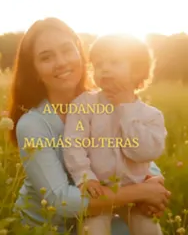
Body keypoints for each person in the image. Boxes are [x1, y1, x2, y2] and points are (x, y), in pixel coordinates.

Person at [9, 19, 170, 233]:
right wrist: (141, 192)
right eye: (46, 57)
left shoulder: (108, 101)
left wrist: (153, 181)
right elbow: (60, 200)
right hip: (48, 226)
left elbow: (133, 152)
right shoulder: (33, 125)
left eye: (67, 50)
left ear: (80, 53)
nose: (61, 62)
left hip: (100, 212)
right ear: (35, 70)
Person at [62, 33, 166, 235]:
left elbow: (144, 153)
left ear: (137, 70)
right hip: (99, 192)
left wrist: (125, 108)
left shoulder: (151, 115)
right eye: (99, 64)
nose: (105, 69)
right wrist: (85, 177)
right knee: (92, 230)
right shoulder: (84, 105)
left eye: (115, 62)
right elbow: (74, 144)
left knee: (150, 230)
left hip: (136, 196)